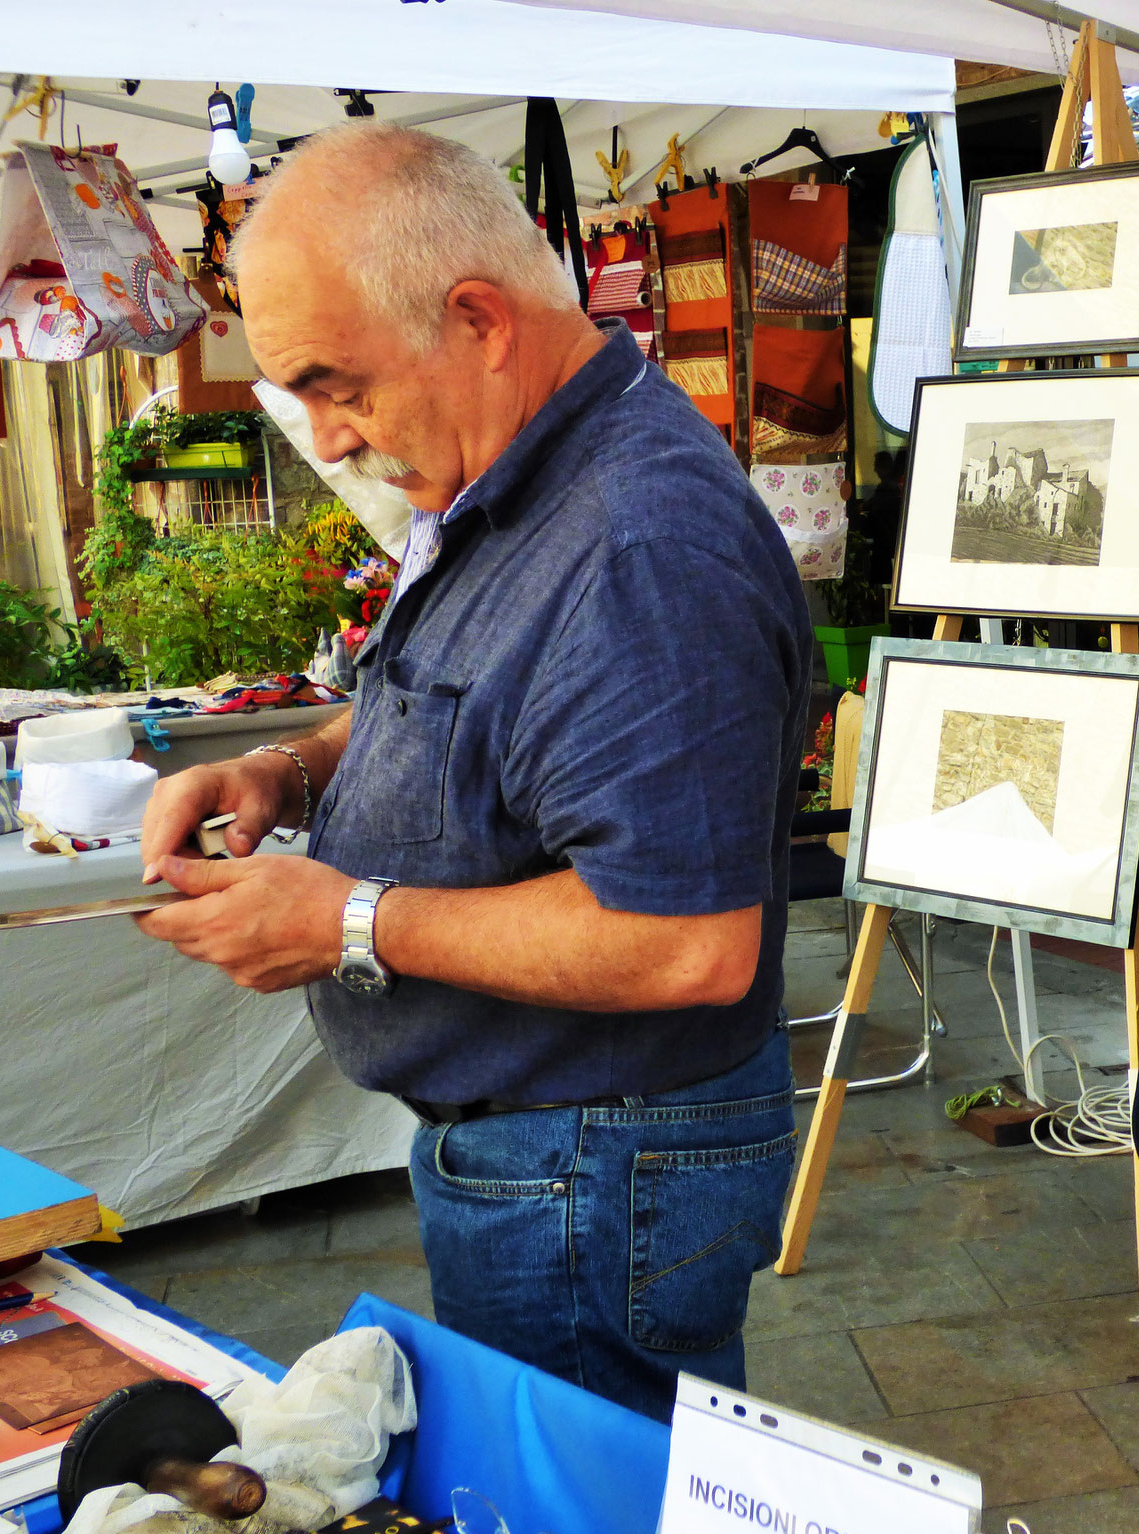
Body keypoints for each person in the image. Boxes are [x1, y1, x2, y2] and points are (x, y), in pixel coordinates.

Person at [131, 123, 812, 1423]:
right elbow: (474, 715)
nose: (327, 441)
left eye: (338, 385)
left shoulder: (636, 548)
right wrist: (293, 769)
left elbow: (686, 944)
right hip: (562, 1143)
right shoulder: (515, 480)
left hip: (590, 1154)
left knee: (586, 1505)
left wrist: (344, 920)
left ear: (479, 319)